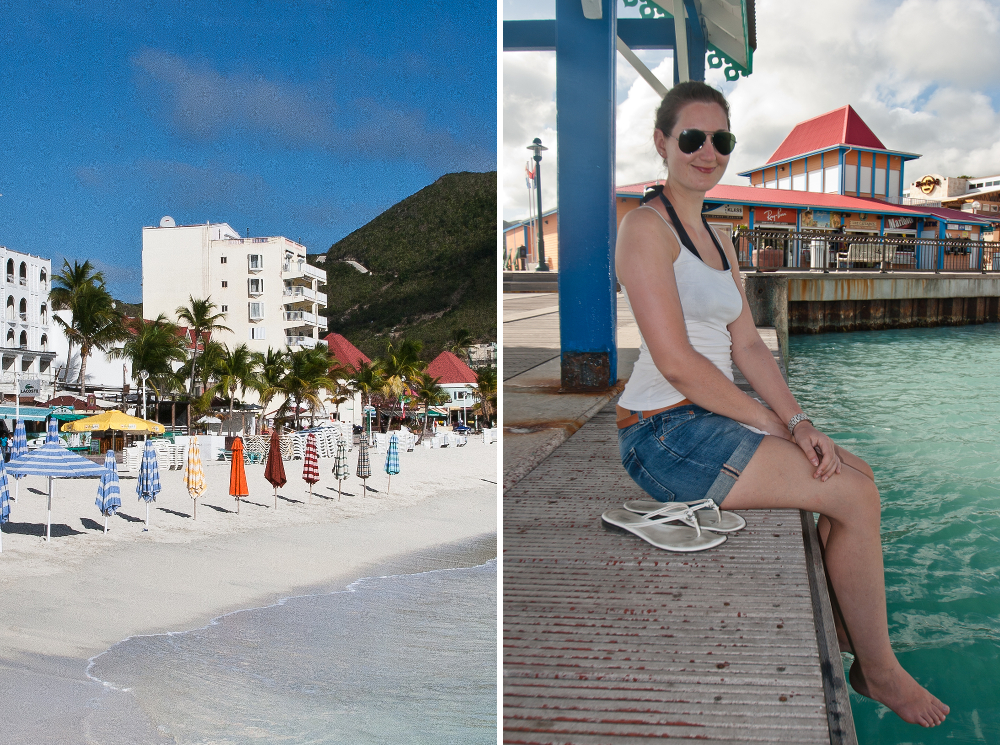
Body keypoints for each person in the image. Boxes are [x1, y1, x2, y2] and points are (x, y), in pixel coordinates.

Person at [614, 81, 948, 728]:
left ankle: (854, 633)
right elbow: (679, 360)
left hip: (706, 416)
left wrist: (799, 420)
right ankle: (879, 671)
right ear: (662, 142)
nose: (707, 151)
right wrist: (765, 422)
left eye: (721, 140)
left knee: (862, 477)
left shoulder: (719, 240)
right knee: (850, 496)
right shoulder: (643, 230)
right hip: (660, 431)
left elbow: (748, 345)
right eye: (691, 137)